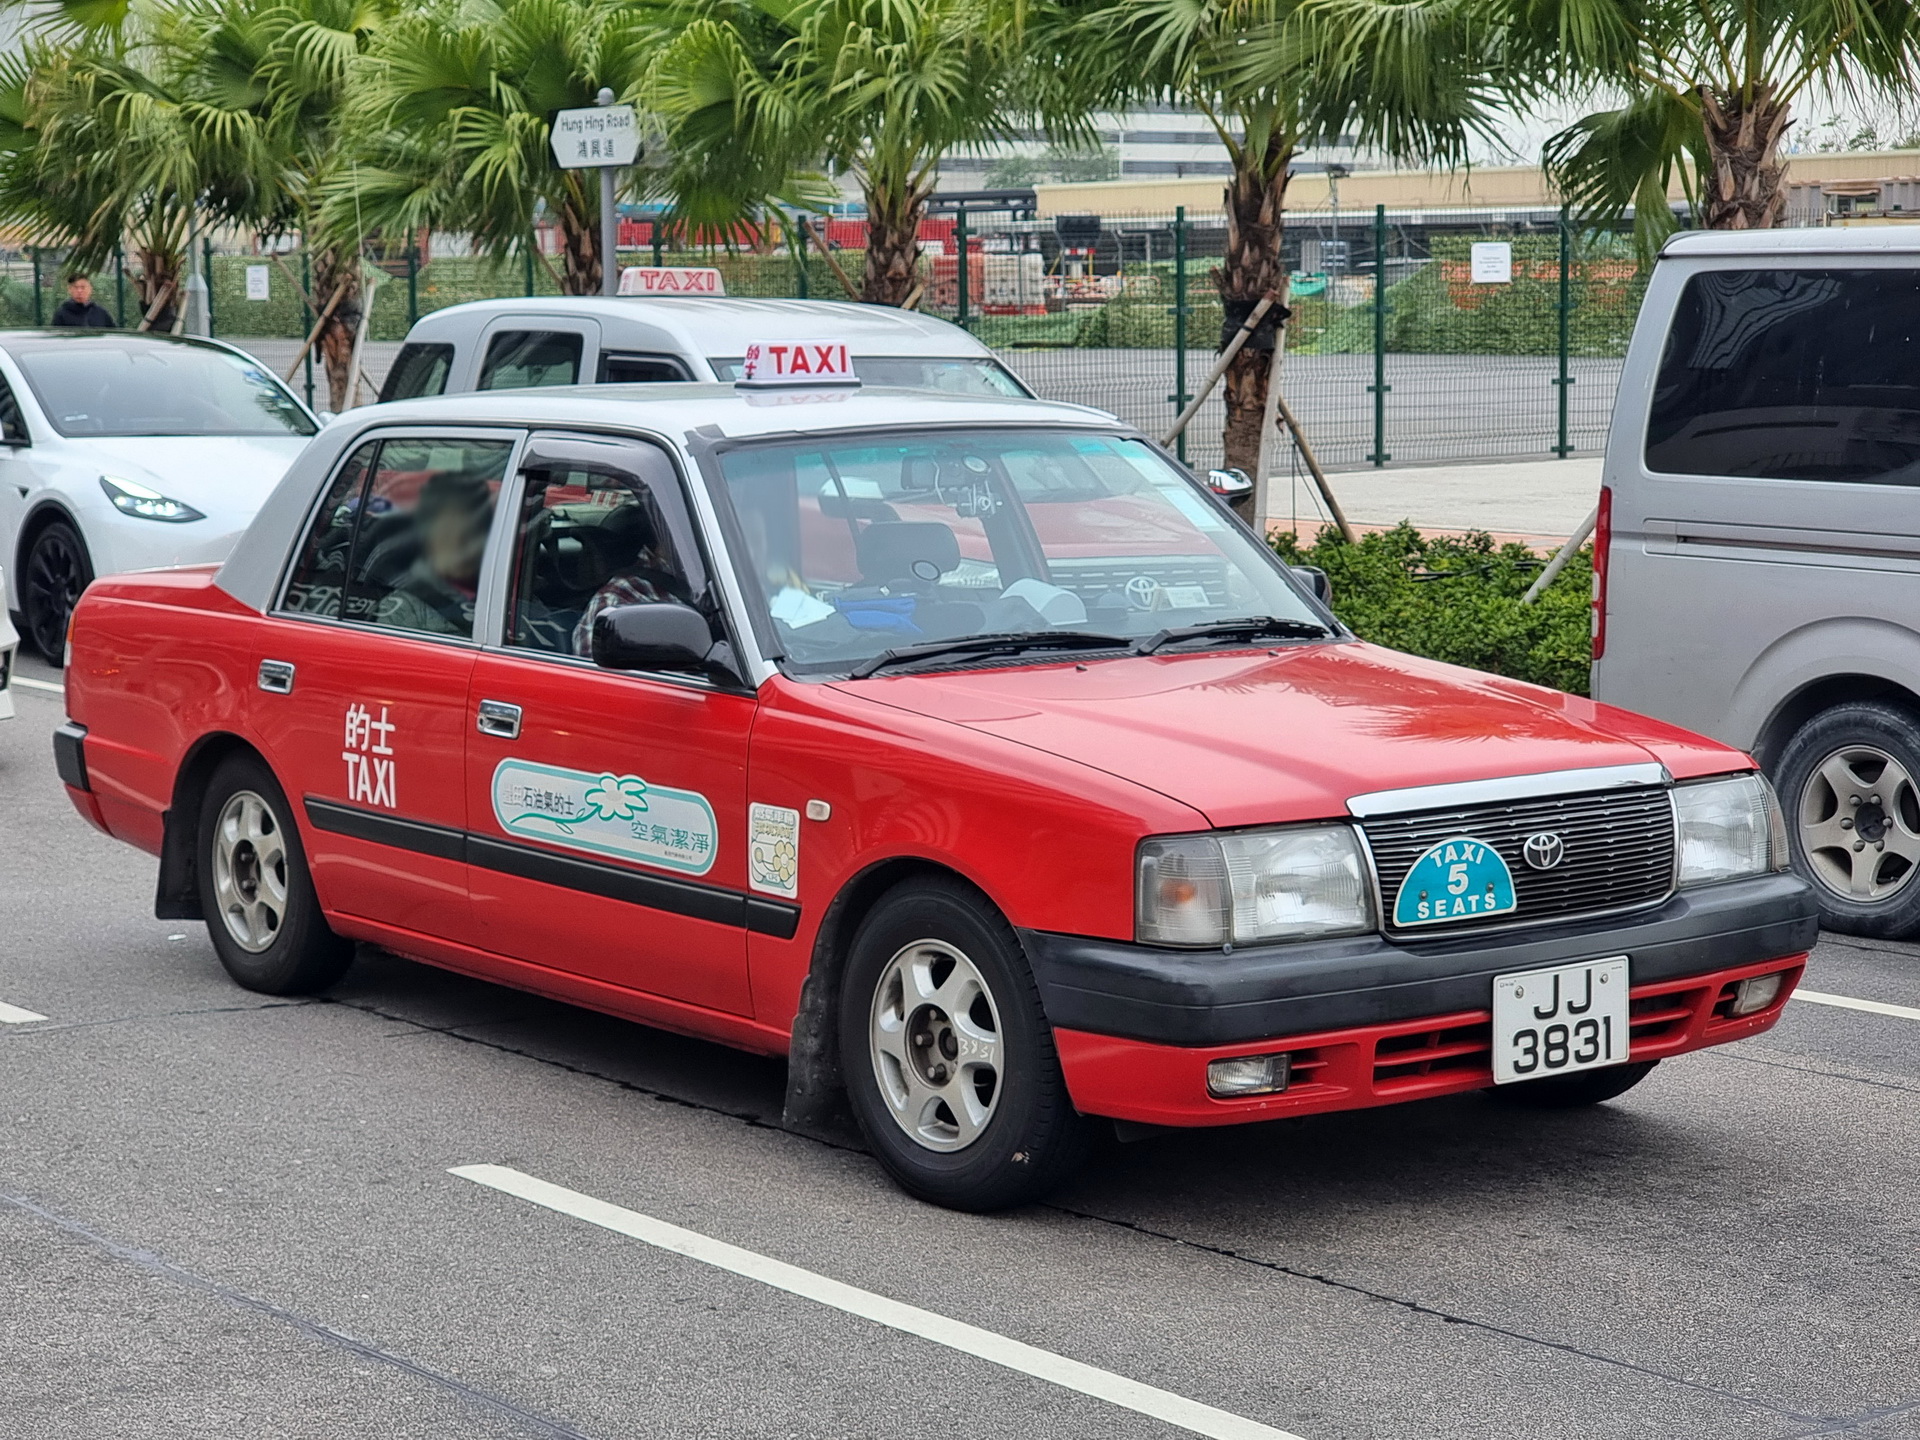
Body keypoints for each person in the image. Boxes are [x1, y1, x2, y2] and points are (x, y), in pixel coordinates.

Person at [50, 274, 116, 329]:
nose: (79, 291)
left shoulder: (101, 313)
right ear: (69, 289)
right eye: (76, 287)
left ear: (90, 289)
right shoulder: (61, 314)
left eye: (83, 287)